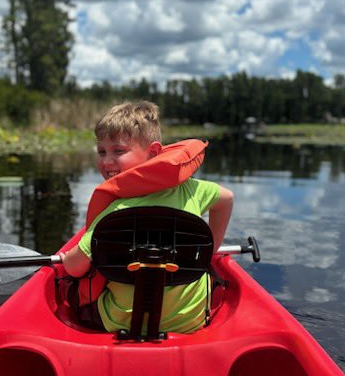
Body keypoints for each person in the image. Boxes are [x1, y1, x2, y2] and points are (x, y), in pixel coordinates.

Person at [61, 101, 233, 334]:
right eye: (102, 151)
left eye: (118, 151)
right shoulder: (191, 190)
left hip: (118, 323)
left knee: (72, 286)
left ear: (153, 152)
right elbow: (226, 198)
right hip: (191, 322)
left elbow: (73, 267)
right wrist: (211, 249)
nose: (106, 161)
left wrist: (65, 257)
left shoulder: (114, 211)